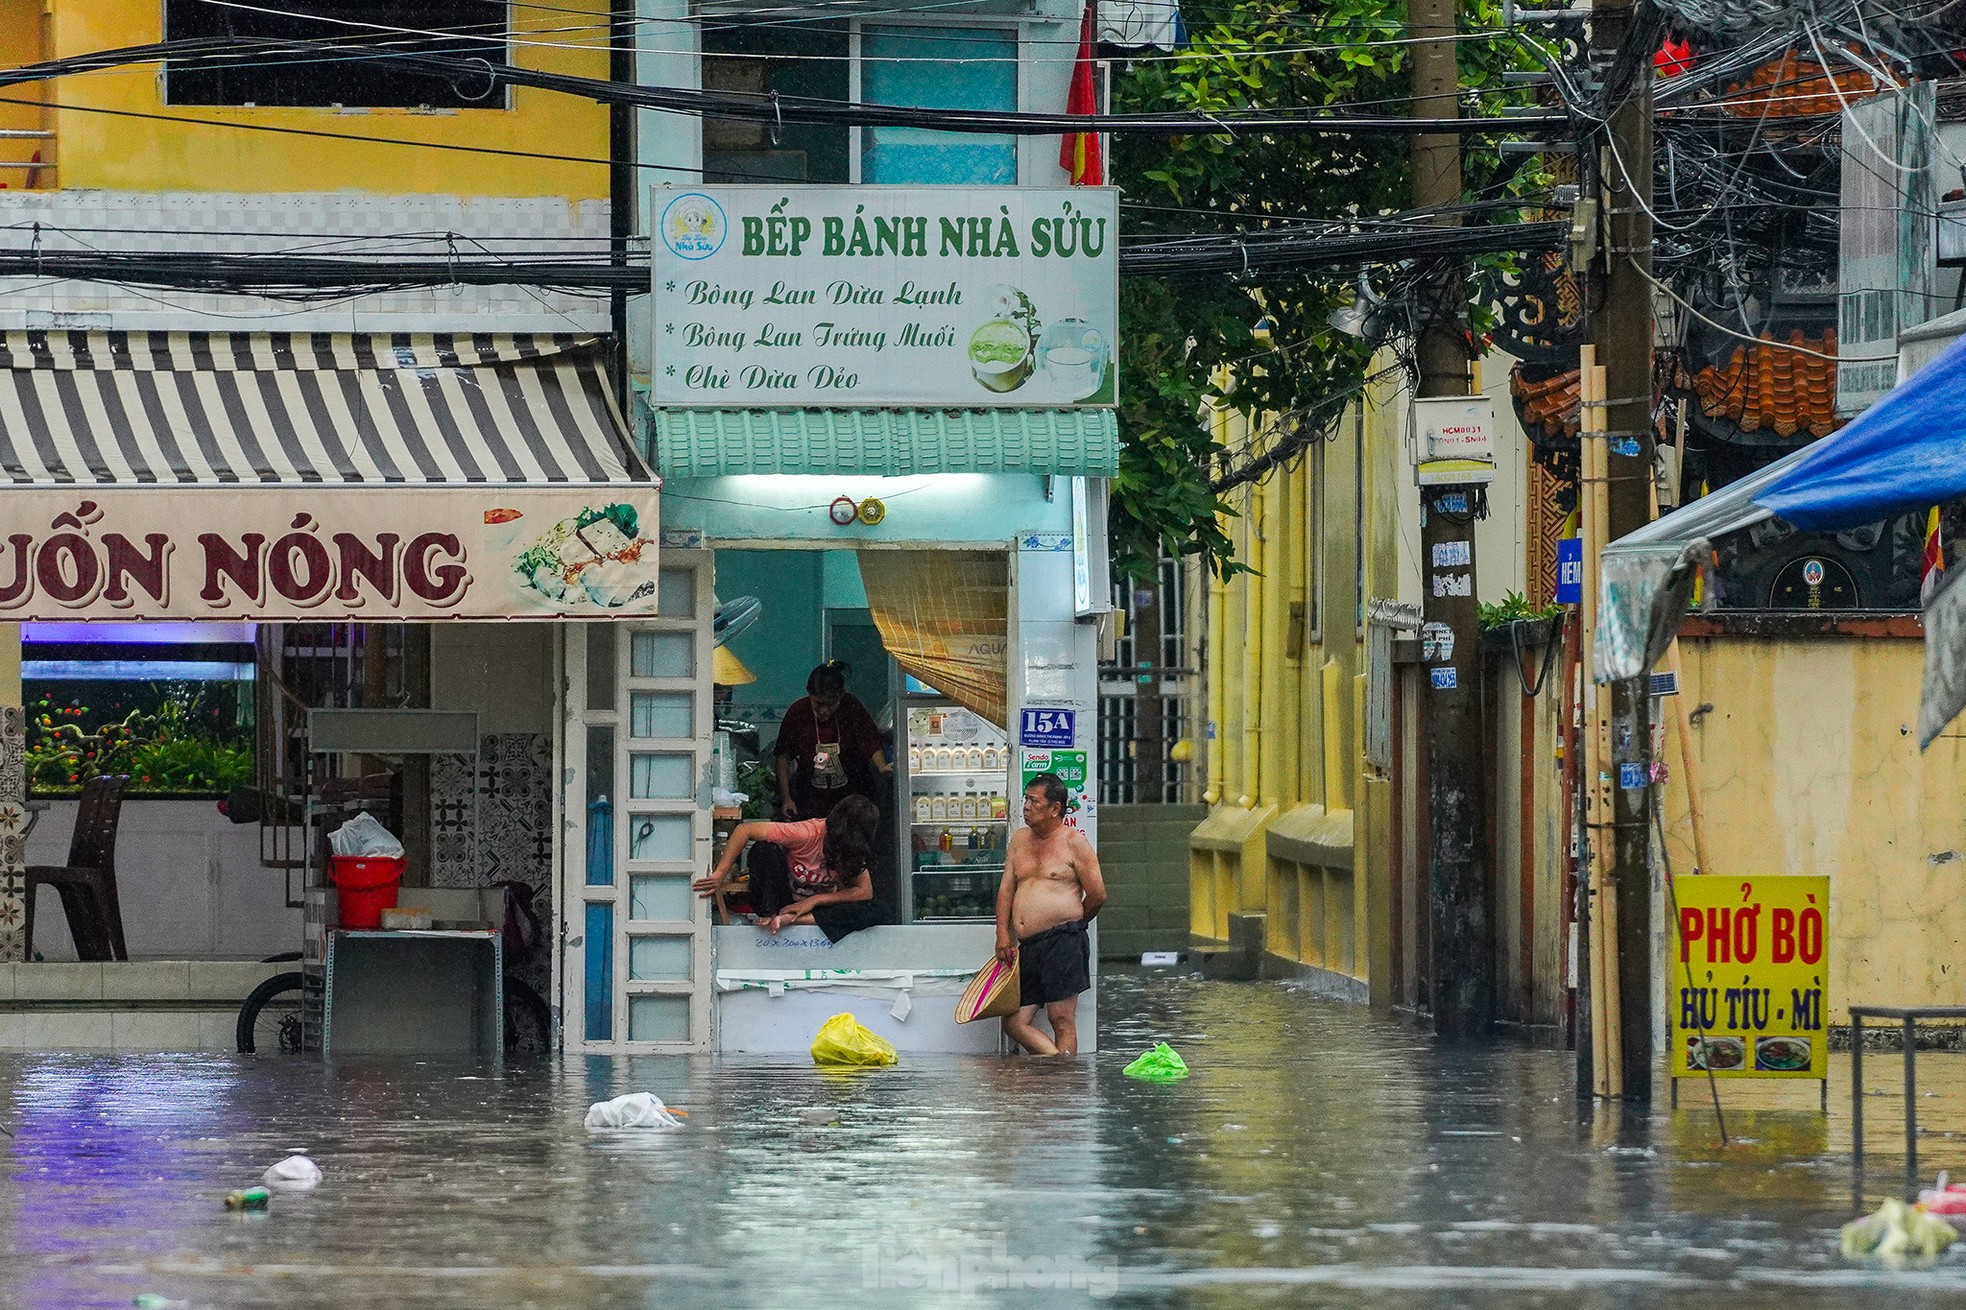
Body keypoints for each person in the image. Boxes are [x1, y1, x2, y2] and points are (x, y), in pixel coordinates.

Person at [995, 772, 1106, 1055]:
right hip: (1028, 946)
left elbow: (1097, 894)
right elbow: (1006, 889)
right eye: (1026, 800)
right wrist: (1002, 935)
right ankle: (1056, 1065)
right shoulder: (1020, 840)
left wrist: (1073, 924)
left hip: (1063, 940)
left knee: (1061, 1019)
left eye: (1034, 801)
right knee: (1015, 1022)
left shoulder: (1073, 842)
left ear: (1055, 808)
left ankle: (1062, 1083)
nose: (1026, 807)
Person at [694, 794, 883, 941]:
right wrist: (720, 874)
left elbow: (864, 892)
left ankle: (791, 920)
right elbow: (745, 830)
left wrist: (815, 900)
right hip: (782, 901)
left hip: (816, 912)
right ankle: (771, 915)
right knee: (764, 848)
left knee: (876, 910)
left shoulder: (854, 849)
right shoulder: (807, 833)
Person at [773, 660, 893, 819]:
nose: (824, 711)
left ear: (841, 695)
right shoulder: (798, 712)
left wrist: (882, 767)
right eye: (818, 704)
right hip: (810, 797)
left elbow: (870, 741)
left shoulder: (851, 707)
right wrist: (787, 798)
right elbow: (783, 755)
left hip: (852, 794)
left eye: (831, 704)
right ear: (809, 694)